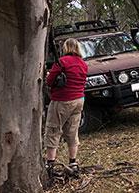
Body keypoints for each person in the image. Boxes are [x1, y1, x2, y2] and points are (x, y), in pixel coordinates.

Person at [45, 38, 88, 176]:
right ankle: (73, 162)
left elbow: (49, 80)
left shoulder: (62, 62)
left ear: (66, 48)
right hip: (79, 100)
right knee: (72, 131)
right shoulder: (83, 63)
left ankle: (50, 164)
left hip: (62, 100)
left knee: (53, 129)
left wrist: (48, 75)